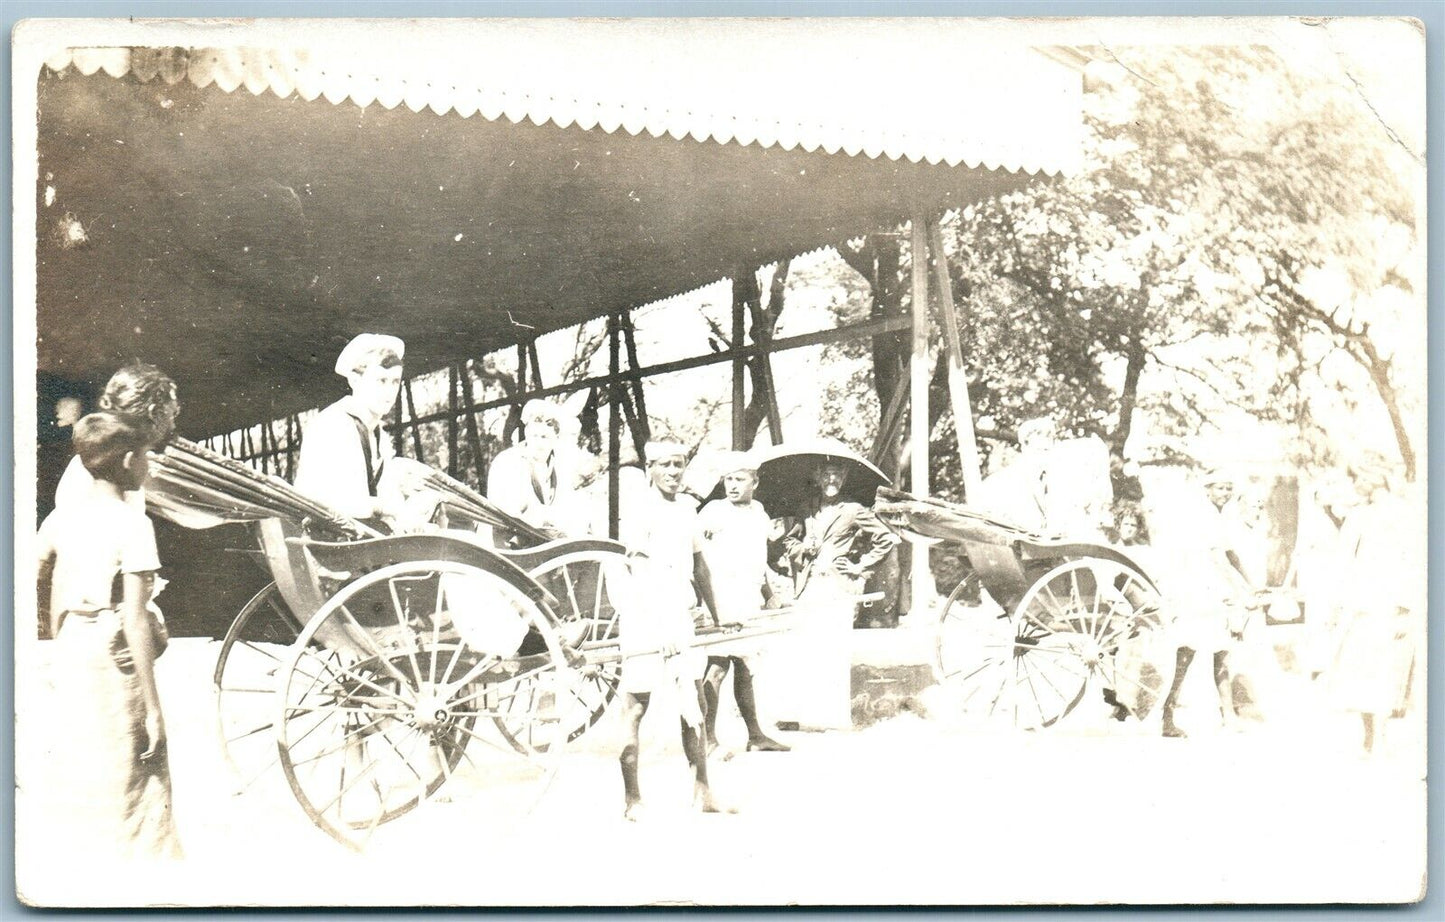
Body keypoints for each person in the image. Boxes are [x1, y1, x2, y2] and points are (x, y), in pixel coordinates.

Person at [35, 412, 183, 861]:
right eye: (147, 457)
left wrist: (56, 627)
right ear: (127, 461)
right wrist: (154, 710)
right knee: (136, 767)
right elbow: (135, 620)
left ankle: (84, 863)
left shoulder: (61, 519)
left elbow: (35, 575)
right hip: (116, 655)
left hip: (74, 649)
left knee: (86, 757)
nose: (152, 466)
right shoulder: (133, 524)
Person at [615, 441, 734, 820]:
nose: (673, 472)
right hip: (645, 617)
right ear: (650, 468)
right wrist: (659, 625)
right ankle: (632, 799)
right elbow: (640, 572)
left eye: (679, 465)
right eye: (665, 465)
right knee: (636, 708)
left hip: (680, 617)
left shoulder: (687, 509)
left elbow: (700, 567)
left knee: (694, 706)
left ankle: (704, 792)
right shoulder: (639, 510)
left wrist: (718, 616)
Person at [777, 458, 900, 731]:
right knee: (804, 647)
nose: (831, 481)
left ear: (843, 479)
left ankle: (831, 717)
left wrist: (859, 566)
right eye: (827, 475)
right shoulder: (807, 508)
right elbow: (790, 541)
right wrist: (802, 548)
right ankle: (798, 715)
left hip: (837, 587)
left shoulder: (854, 510)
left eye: (837, 476)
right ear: (818, 477)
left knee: (834, 648)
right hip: (808, 586)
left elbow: (886, 538)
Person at [293, 333, 439, 531]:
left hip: (365, 539)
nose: (389, 391)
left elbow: (387, 496)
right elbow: (323, 502)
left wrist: (407, 518)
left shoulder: (379, 436)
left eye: (395, 381)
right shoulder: (332, 425)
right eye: (381, 380)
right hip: (331, 544)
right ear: (355, 380)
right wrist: (386, 508)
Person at [696, 451, 790, 756]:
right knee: (718, 666)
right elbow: (695, 558)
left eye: (739, 479)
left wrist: (769, 594)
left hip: (747, 597)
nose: (732, 486)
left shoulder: (759, 514)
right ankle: (707, 739)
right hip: (720, 598)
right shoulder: (712, 512)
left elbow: (757, 561)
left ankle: (755, 735)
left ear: (755, 482)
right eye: (728, 480)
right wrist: (705, 604)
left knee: (746, 665)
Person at [1158, 470, 1263, 738]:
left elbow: (1231, 554)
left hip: (1213, 590)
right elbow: (1219, 560)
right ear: (1208, 490)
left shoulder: (1219, 516)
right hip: (1199, 591)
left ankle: (1227, 715)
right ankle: (1167, 716)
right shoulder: (1202, 515)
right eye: (1220, 489)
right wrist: (1242, 590)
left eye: (1229, 489)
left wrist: (1250, 583)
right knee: (1187, 654)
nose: (1225, 494)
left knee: (1222, 652)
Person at [1327, 467, 1421, 755]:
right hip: (1363, 602)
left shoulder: (1402, 512)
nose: (1354, 485)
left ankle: (1380, 738)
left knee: (1386, 669)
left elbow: (1412, 556)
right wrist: (1339, 602)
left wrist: (1405, 606)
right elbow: (1344, 558)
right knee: (1360, 667)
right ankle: (1368, 737)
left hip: (1391, 602)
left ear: (1374, 477)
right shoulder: (1359, 515)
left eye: (1357, 478)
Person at [54, 363, 179, 512]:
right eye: (172, 415)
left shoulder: (102, 461)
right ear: (153, 414)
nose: (173, 426)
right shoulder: (120, 471)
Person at [486, 399, 572, 539]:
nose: (538, 443)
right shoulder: (507, 462)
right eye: (534, 436)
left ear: (556, 437)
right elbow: (505, 511)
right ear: (526, 432)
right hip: (509, 546)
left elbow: (568, 507)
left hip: (546, 544)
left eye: (544, 437)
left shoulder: (561, 468)